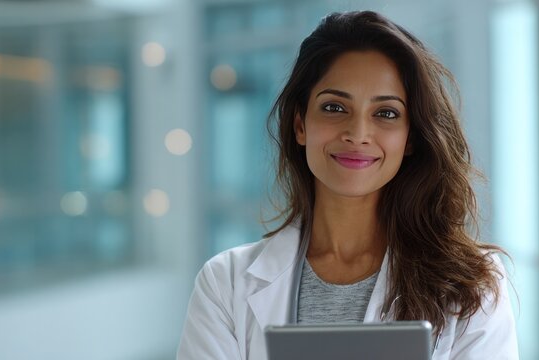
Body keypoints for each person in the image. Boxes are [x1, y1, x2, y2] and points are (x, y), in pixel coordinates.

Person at [177, 10, 518, 360]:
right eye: (334, 107)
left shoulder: (473, 284)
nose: (357, 134)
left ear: (410, 138)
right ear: (300, 126)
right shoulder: (224, 283)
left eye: (386, 113)